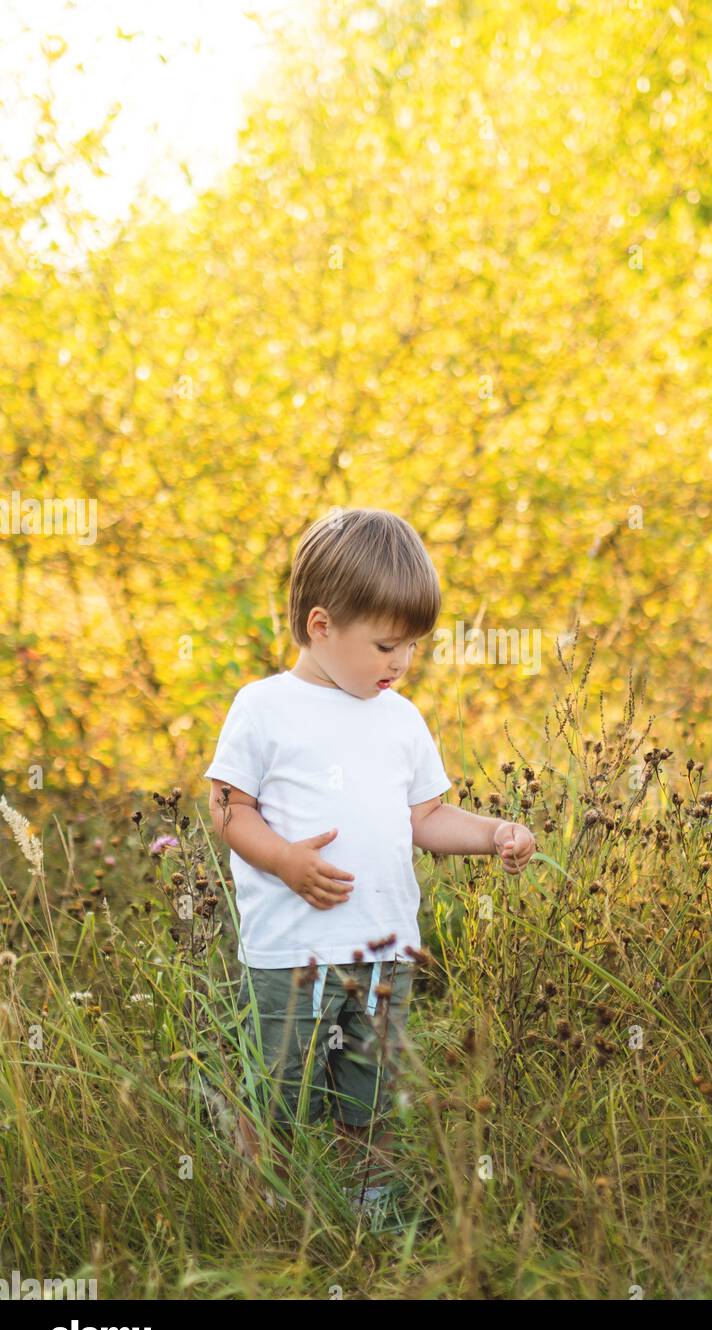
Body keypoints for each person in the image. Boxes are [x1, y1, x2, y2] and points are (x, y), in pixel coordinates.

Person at [203, 506, 535, 1230]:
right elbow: (228, 808)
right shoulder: (264, 708)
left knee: (373, 1092)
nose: (401, 663)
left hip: (384, 951)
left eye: (412, 647)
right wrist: (286, 861)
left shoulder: (400, 719)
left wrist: (494, 832)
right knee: (281, 1090)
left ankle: (371, 1209)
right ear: (321, 626)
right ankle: (270, 1206)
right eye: (386, 644)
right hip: (292, 953)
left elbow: (426, 819)